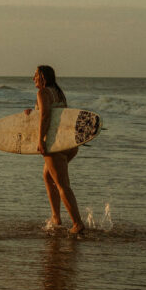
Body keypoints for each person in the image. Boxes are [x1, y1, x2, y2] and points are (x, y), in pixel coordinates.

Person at [26, 65, 85, 236]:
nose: (33, 78)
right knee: (47, 176)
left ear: (42, 77)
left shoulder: (43, 93)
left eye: (35, 75)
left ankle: (77, 223)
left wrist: (40, 140)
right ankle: (56, 218)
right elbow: (54, 115)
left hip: (54, 145)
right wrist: (31, 113)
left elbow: (46, 116)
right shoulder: (58, 92)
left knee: (62, 185)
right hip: (69, 145)